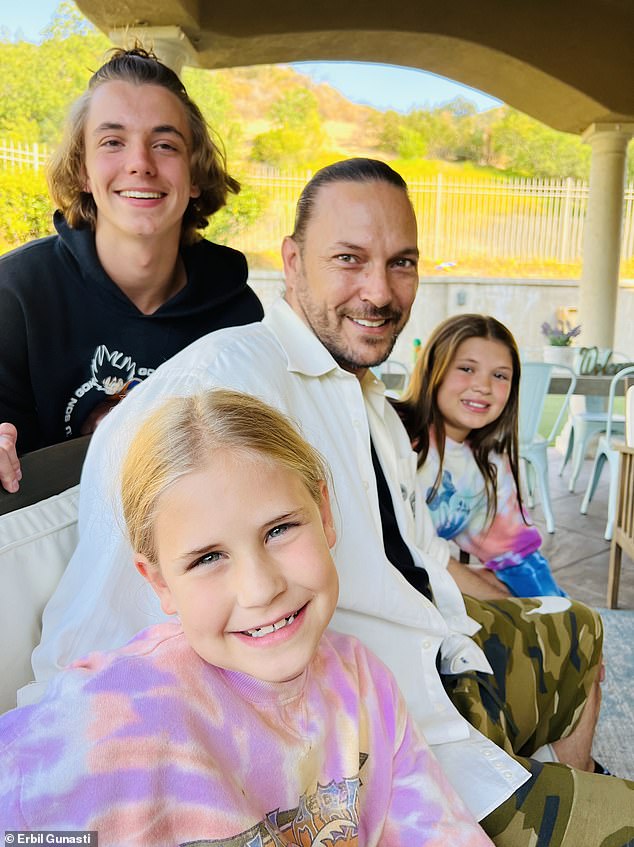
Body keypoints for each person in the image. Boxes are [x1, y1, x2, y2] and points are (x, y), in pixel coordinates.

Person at [27, 159, 634, 846]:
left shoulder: (365, 389)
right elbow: (95, 654)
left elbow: (418, 561)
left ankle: (554, 783)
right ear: (291, 261)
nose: (379, 291)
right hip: (378, 747)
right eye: (348, 259)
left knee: (580, 625)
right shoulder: (218, 393)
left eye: (400, 262)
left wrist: (489, 593)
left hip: (440, 659)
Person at [0, 389, 492, 845]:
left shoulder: (363, 682)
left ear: (324, 514)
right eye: (208, 558)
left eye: (279, 530)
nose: (261, 589)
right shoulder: (113, 718)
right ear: (160, 583)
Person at [0, 47, 263, 494]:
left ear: (194, 174)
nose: (140, 163)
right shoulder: (17, 293)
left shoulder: (238, 314)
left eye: (165, 144)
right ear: (82, 169)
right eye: (112, 142)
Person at [395, 313, 566, 597]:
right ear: (433, 369)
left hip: (423, 583)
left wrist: (554, 611)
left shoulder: (489, 463)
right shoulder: (393, 433)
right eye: (466, 368)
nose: (483, 386)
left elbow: (516, 554)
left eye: (499, 375)